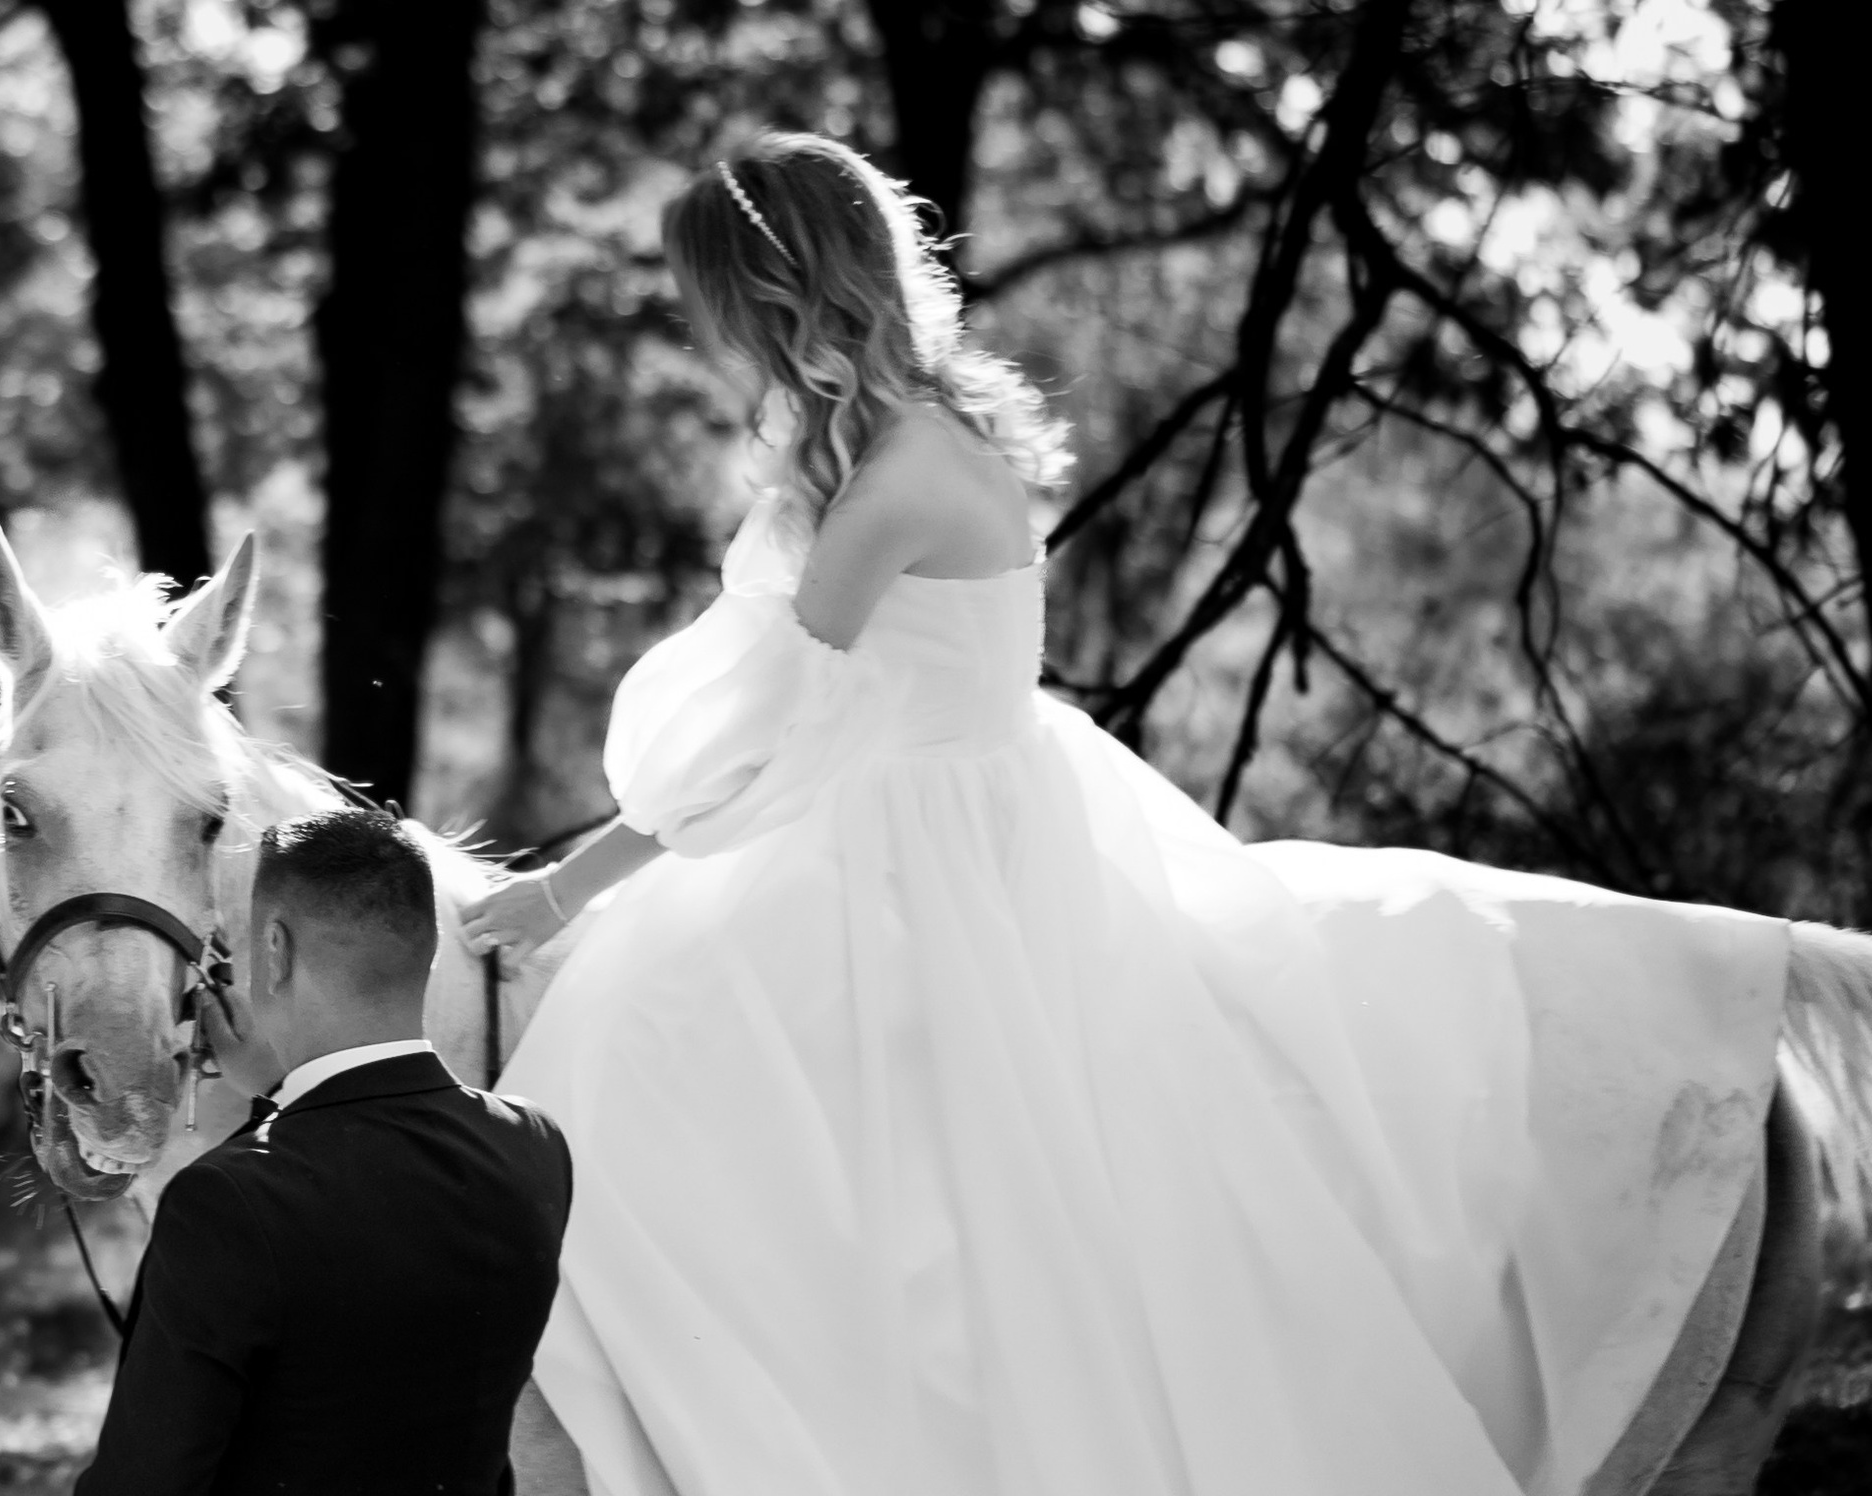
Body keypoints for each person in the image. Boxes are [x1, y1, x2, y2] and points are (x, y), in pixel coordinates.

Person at [458, 134, 1539, 1495]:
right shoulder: (913, 437)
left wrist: (567, 887)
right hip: (957, 802)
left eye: (714, 307)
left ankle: (769, 1441)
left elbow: (768, 737)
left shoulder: (893, 484)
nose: (702, 334)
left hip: (913, 844)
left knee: (638, 1063)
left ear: (778, 299)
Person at [78, 808, 573, 1496]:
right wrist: (280, 1093)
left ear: (272, 952)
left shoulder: (224, 1205)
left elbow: (144, 1483)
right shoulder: (534, 1147)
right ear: (425, 950)